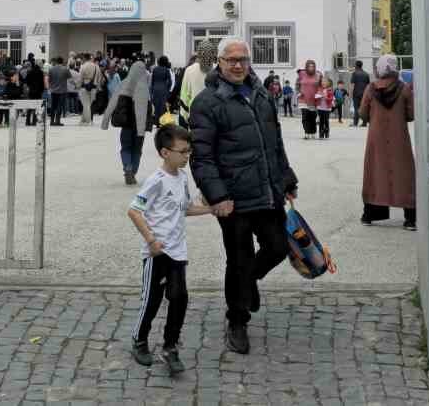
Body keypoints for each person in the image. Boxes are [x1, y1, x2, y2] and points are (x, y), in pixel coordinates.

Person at [189, 37, 298, 356]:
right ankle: (237, 320)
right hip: (232, 198)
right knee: (238, 259)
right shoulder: (207, 102)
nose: (238, 65)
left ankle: (247, 284)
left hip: (266, 190)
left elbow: (274, 142)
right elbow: (202, 157)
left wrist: (286, 177)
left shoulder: (262, 94)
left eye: (243, 59)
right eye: (231, 60)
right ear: (219, 63)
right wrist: (216, 196)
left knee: (278, 247)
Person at [127, 125, 211, 376]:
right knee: (152, 300)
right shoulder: (156, 181)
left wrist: (211, 210)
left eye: (189, 151)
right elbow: (134, 211)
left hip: (178, 252)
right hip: (158, 253)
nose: (187, 155)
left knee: (179, 298)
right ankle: (139, 340)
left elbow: (185, 208)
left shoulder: (183, 178)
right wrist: (151, 241)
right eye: (183, 151)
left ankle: (170, 346)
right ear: (165, 152)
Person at [360, 55, 417, 230]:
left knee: (375, 174)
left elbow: (363, 113)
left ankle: (369, 215)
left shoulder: (371, 89)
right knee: (404, 174)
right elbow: (411, 115)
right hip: (399, 138)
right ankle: (409, 218)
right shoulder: (405, 89)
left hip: (376, 139)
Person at [113, 54, 153, 184]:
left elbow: (120, 106)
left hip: (127, 124)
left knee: (125, 148)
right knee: (137, 149)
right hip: (139, 126)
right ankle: (133, 172)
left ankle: (128, 168)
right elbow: (148, 110)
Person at [178, 41, 216, 125]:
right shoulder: (218, 69)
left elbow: (184, 95)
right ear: (213, 53)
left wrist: (185, 115)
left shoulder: (190, 70)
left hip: (195, 114)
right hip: (214, 115)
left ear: (198, 53)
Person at [297, 60, 323, 139]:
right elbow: (297, 85)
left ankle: (313, 132)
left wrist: (319, 93)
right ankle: (306, 132)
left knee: (312, 117)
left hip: (313, 100)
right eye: (309, 66)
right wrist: (298, 92)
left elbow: (321, 86)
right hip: (303, 99)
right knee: (305, 116)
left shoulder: (318, 75)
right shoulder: (302, 74)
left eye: (312, 66)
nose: (311, 68)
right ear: (306, 67)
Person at [79, 54, 104, 126]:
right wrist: (98, 86)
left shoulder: (83, 66)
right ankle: (83, 119)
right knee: (89, 104)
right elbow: (100, 78)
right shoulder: (96, 66)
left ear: (84, 58)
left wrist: (78, 86)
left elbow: (80, 77)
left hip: (85, 86)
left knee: (86, 104)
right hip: (94, 87)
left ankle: (88, 121)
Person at [149, 55, 174, 123]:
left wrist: (151, 91)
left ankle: (156, 121)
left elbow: (152, 81)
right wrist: (167, 89)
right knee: (162, 107)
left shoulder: (155, 69)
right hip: (163, 90)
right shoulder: (166, 70)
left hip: (155, 89)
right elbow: (170, 82)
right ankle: (161, 121)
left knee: (156, 106)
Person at [46, 56, 71, 126]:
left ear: (56, 61)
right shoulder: (65, 69)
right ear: (62, 61)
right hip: (62, 91)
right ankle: (57, 121)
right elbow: (69, 78)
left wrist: (51, 87)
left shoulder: (51, 69)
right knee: (59, 106)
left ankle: (51, 121)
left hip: (53, 91)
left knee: (53, 106)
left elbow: (49, 79)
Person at [349, 61, 371, 128]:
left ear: (356, 66)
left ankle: (355, 123)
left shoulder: (354, 74)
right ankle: (364, 123)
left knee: (356, 108)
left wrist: (350, 94)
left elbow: (352, 85)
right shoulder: (366, 74)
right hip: (364, 94)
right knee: (364, 108)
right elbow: (368, 85)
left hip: (356, 94)